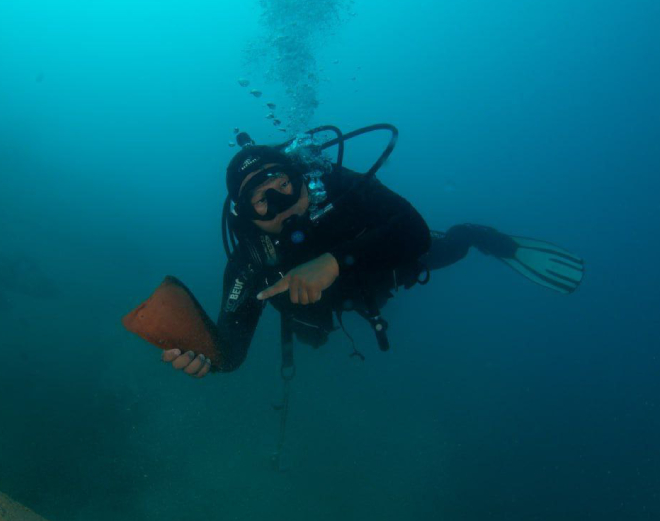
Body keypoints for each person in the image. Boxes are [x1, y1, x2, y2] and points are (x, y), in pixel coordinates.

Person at [161, 127, 585, 378]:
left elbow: (413, 231)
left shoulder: (340, 189)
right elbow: (229, 350)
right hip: (330, 307)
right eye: (260, 201)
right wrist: (206, 357)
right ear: (246, 216)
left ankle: (476, 234)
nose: (281, 204)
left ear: (301, 177)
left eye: (283, 185)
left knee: (445, 248)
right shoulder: (252, 258)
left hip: (390, 264)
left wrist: (333, 261)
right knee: (312, 333)